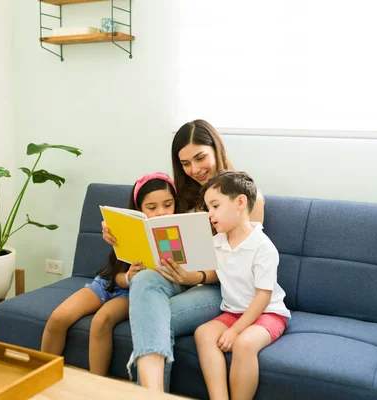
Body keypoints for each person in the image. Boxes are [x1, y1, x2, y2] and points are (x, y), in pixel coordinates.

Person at [102, 120, 265, 391]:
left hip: (220, 288)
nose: (194, 169)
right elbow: (158, 232)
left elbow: (241, 266)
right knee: (143, 281)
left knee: (151, 318)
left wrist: (194, 277)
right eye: (185, 163)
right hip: (180, 276)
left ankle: (150, 395)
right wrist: (117, 235)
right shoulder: (185, 194)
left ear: (216, 149)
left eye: (200, 158)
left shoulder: (246, 198)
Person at [41, 172, 177, 376]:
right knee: (58, 317)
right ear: (138, 208)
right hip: (109, 282)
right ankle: (41, 374)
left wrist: (132, 279)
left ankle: (98, 385)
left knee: (101, 321)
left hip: (133, 294)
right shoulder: (131, 227)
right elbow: (115, 275)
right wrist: (129, 275)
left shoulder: (175, 236)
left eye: (168, 205)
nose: (161, 213)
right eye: (151, 207)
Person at [195, 170, 290, 400]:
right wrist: (183, 275)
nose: (210, 214)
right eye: (208, 208)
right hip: (234, 312)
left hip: (268, 313)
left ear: (240, 202)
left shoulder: (263, 247)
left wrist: (236, 331)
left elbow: (263, 297)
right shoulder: (217, 243)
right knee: (204, 333)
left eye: (215, 206)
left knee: (244, 345)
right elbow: (207, 272)